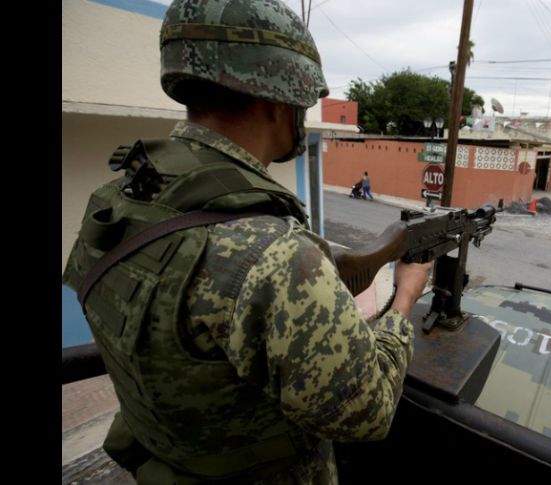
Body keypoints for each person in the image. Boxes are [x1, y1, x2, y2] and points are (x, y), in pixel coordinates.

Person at [61, 0, 432, 483]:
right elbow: (369, 412)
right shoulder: (276, 254)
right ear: (280, 97)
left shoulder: (117, 200)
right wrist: (404, 296)